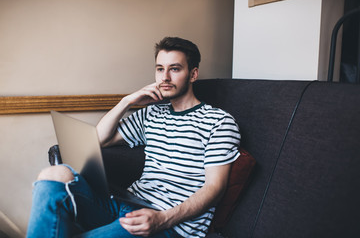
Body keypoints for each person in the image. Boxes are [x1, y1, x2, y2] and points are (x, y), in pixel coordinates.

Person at [26, 37, 241, 238]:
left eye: (174, 69)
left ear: (193, 74)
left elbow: (215, 188)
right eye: (160, 69)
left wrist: (162, 219)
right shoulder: (152, 114)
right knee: (54, 174)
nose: (165, 77)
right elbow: (99, 140)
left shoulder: (218, 122)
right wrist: (126, 102)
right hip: (128, 203)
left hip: (170, 222)